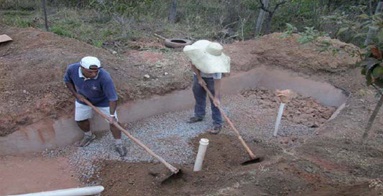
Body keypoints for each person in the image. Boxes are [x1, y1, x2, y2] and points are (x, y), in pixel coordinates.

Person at [63, 56, 127, 157]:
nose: (94, 74)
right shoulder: (72, 69)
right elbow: (67, 81)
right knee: (80, 120)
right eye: (90, 72)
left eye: (96, 71)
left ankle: (118, 144)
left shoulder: (105, 77)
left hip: (103, 101)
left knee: (114, 123)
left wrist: (111, 115)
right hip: (84, 99)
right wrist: (76, 94)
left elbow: (113, 98)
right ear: (82, 68)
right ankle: (89, 136)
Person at [183, 40, 231, 134]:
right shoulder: (200, 55)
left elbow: (217, 81)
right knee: (198, 95)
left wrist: (216, 97)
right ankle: (199, 115)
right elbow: (193, 65)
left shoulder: (218, 66)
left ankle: (217, 123)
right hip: (198, 76)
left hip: (211, 80)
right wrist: (200, 78)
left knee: (215, 102)